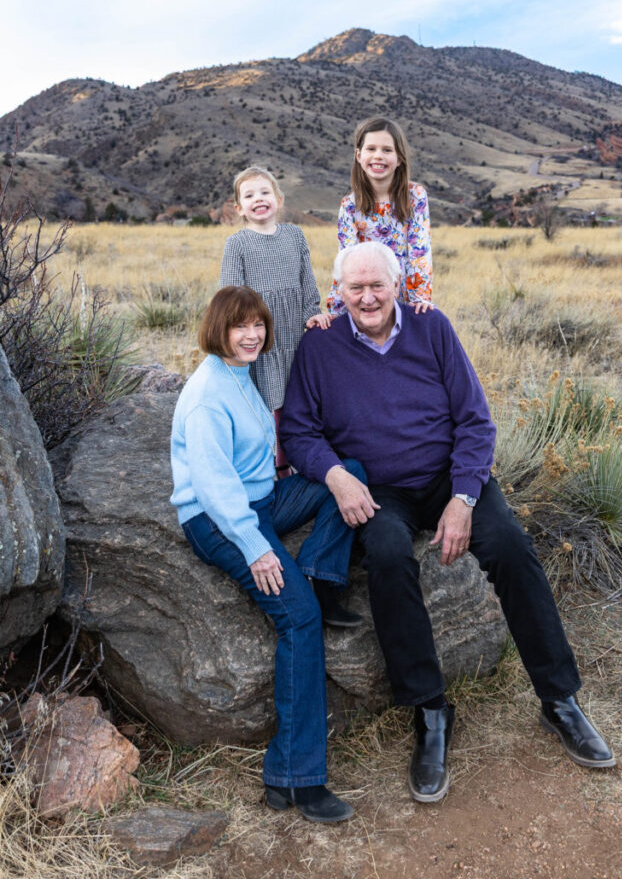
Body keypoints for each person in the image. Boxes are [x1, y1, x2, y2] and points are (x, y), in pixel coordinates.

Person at [281, 242, 615, 804]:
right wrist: (336, 477)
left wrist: (463, 497)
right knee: (387, 555)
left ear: (398, 285)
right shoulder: (318, 346)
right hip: (379, 489)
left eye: (377, 285)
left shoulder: (433, 329)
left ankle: (559, 700)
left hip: (446, 476)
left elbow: (475, 420)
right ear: (337, 291)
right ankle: (430, 713)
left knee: (508, 543)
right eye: (354, 287)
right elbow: (299, 430)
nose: (366, 297)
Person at [170, 285, 366, 823]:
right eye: (240, 326)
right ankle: (295, 779)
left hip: (261, 499)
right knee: (299, 620)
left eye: (258, 324)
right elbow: (213, 486)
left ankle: (319, 573)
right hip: (220, 522)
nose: (252, 334)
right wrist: (257, 548)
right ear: (219, 330)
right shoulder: (209, 392)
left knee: (346, 477)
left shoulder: (240, 374)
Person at [219, 166, 331, 474]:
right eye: (249, 195)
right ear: (239, 207)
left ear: (278, 199)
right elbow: (230, 295)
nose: (259, 199)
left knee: (298, 401)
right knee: (268, 403)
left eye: (265, 192)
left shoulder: (295, 236)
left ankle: (304, 459)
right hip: (262, 338)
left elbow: (308, 284)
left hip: (294, 332)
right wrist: (242, 334)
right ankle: (273, 466)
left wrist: (312, 315)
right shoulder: (237, 244)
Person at [327, 117, 433, 315]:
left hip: (404, 294)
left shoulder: (415, 196)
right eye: (371, 149)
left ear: (399, 157)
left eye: (387, 150)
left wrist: (420, 299)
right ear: (359, 155)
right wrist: (337, 308)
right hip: (366, 297)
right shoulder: (350, 205)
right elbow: (346, 260)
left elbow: (420, 253)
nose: (378, 156)